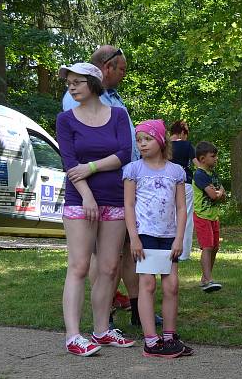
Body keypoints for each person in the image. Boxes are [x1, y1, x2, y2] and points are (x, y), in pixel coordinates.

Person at [56, 62, 135, 355]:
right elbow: (68, 163)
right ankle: (73, 335)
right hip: (80, 202)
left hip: (113, 198)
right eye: (69, 83)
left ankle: (101, 330)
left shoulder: (117, 115)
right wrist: (87, 195)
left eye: (77, 82)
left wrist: (90, 167)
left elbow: (125, 153)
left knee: (109, 266)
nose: (71, 87)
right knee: (78, 266)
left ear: (94, 84)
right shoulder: (65, 120)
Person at [123, 120, 190, 357]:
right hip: (145, 235)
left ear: (161, 140)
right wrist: (134, 238)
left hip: (169, 236)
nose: (142, 144)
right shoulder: (134, 170)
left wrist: (179, 238)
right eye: (139, 139)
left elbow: (181, 208)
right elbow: (128, 206)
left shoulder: (176, 172)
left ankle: (170, 336)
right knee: (148, 284)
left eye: (147, 139)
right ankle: (151, 340)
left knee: (171, 285)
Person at [192, 141, 225, 291]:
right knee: (207, 247)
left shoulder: (213, 174)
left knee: (215, 247)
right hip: (202, 216)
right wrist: (218, 193)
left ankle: (205, 277)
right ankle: (208, 280)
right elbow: (213, 194)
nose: (216, 158)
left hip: (213, 216)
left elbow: (221, 194)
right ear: (202, 158)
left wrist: (218, 194)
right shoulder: (200, 175)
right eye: (213, 156)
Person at [168, 120, 195, 261]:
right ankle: (183, 253)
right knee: (186, 216)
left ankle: (167, 248)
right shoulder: (187, 145)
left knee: (168, 216)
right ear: (183, 132)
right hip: (185, 184)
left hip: (166, 184)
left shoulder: (163, 146)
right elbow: (197, 163)